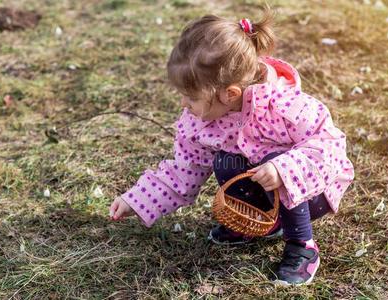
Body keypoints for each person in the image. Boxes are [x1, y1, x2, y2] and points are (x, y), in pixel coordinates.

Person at [109, 10, 354, 286]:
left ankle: (301, 245)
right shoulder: (201, 122)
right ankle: (259, 224)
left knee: (275, 159)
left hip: (311, 193)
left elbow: (330, 144)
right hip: (263, 187)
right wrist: (136, 199)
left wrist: (283, 168)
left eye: (191, 97)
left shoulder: (284, 106)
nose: (183, 104)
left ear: (231, 94)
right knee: (226, 161)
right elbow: (183, 170)